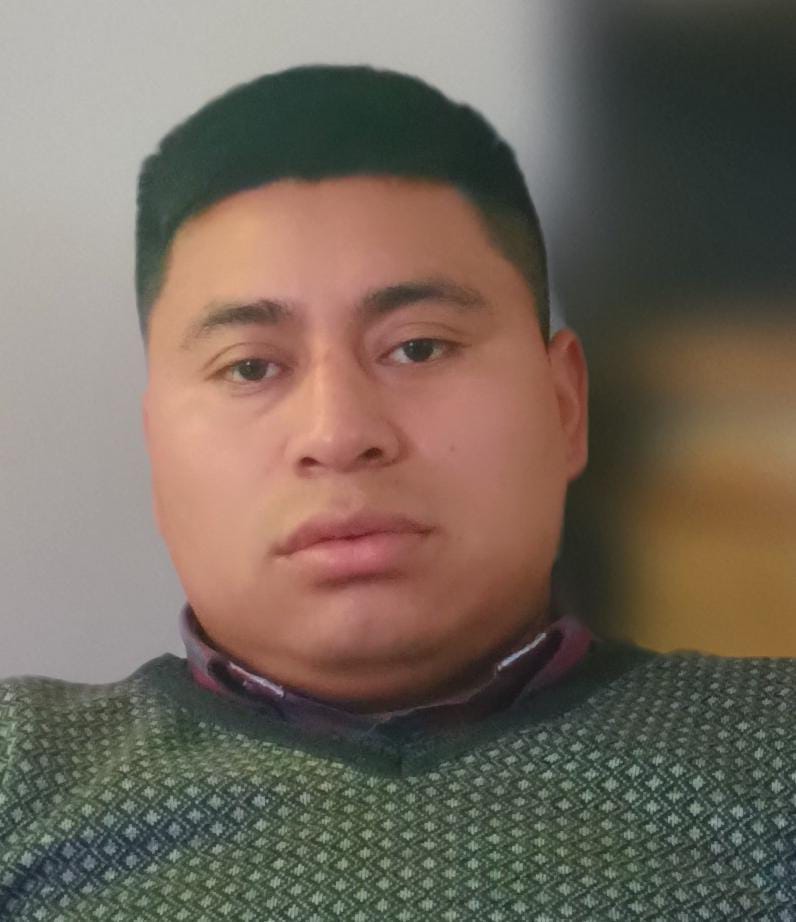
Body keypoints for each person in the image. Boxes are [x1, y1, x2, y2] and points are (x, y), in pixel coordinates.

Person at [1, 65, 793, 921]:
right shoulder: (21, 769)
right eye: (251, 367)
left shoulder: (769, 746)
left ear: (565, 404)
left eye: (419, 347)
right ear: (156, 444)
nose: (340, 433)